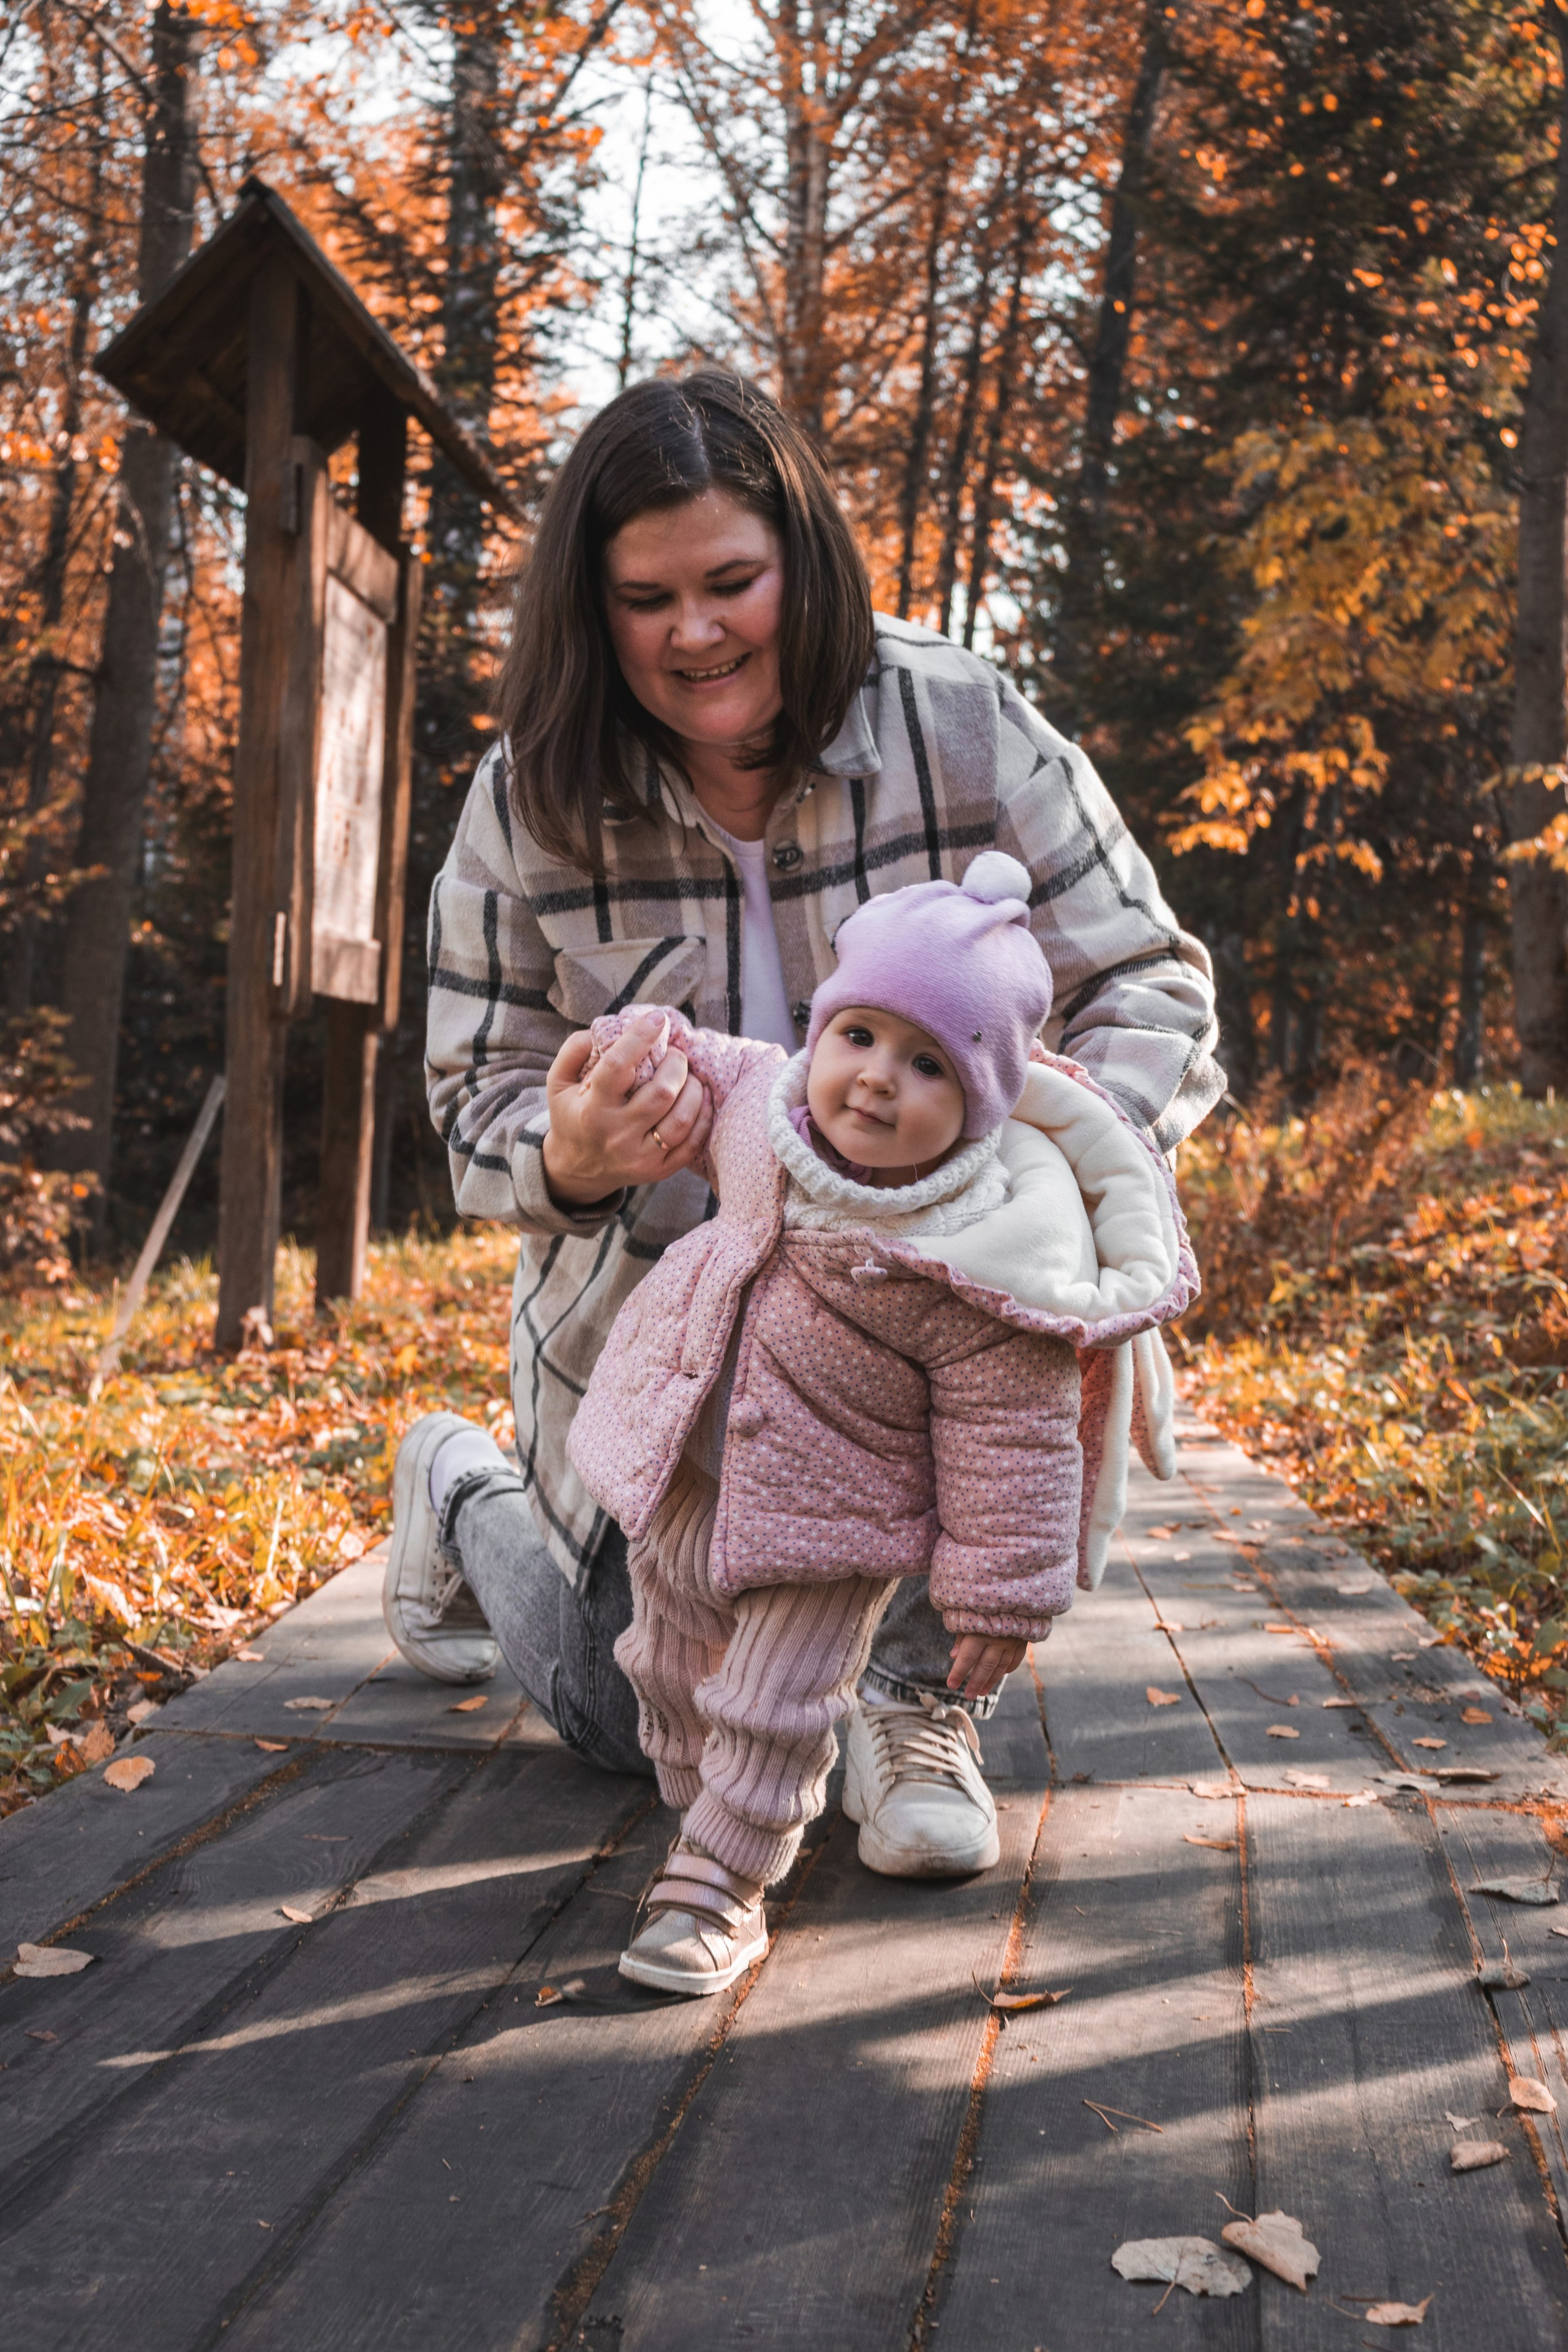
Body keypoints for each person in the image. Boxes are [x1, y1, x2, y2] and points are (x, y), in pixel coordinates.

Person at [383, 367, 1223, 1879]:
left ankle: (910, 1700)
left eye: (730, 582)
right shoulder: (528, 800)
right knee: (612, 1722)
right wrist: (567, 1155)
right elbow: (469, 1104)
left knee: (974, 1485)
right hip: (659, 1333)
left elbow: (1151, 983)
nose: (694, 633)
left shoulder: (959, 722)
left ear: (800, 565)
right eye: (646, 598)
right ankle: (464, 1487)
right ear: (594, 606)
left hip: (931, 1315)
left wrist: (1037, 1167)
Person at [562, 854, 1194, 1994]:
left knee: (773, 1704)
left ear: (984, 1102)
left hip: (840, 1511)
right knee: (666, 1663)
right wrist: (633, 1049)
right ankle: (702, 1807)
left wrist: (1001, 1595)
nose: (873, 1081)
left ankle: (720, 1882)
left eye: (927, 1067)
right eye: (858, 1036)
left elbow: (1017, 1436)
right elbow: (693, 1059)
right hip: (689, 1464)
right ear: (823, 1029)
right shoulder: (768, 1110)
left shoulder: (979, 1254)